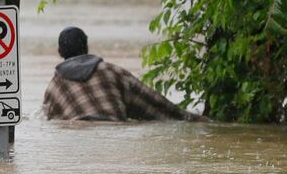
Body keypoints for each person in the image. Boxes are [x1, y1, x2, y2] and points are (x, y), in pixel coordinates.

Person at [42, 26, 203, 122]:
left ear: (60, 52)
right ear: (86, 47)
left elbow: (49, 121)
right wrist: (191, 118)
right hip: (114, 131)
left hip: (78, 138)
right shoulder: (111, 71)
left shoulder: (54, 88)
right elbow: (153, 102)